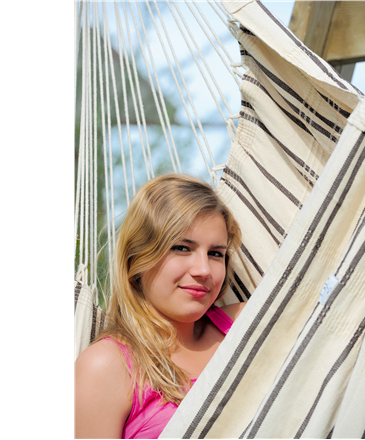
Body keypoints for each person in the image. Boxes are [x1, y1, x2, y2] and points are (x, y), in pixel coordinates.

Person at [75, 174, 245, 439]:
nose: (204, 270)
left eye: (215, 254)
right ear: (136, 259)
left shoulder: (245, 325)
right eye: (182, 248)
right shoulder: (106, 367)